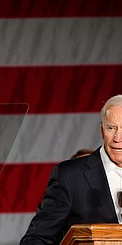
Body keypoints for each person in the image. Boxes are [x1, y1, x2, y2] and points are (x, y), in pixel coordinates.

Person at [20, 94, 122, 244]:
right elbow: (36, 239)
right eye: (111, 128)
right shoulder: (71, 176)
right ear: (101, 130)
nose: (117, 138)